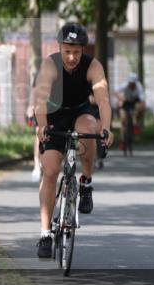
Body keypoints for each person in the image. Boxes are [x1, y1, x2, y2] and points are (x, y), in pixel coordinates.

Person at [32, 23, 113, 258]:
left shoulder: (93, 66)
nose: (71, 57)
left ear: (83, 51)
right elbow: (40, 98)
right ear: (60, 47)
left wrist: (106, 127)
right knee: (50, 170)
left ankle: (86, 183)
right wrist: (41, 126)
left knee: (91, 129)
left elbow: (104, 100)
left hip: (80, 112)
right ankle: (45, 233)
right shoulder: (50, 64)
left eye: (77, 52)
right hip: (53, 114)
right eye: (67, 51)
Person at [114, 73, 146, 146]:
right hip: (125, 101)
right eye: (130, 82)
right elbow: (116, 92)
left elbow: (142, 101)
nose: (131, 84)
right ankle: (122, 140)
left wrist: (141, 108)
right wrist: (121, 99)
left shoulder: (139, 87)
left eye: (133, 83)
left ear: (136, 82)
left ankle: (136, 124)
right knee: (123, 119)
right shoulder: (124, 85)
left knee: (140, 107)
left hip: (135, 101)